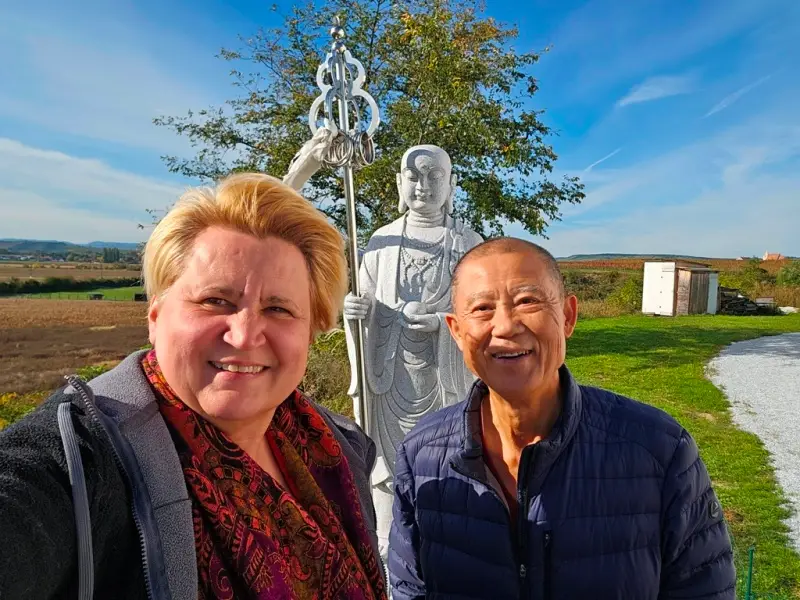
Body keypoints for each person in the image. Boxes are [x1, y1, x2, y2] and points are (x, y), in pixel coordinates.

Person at [0, 173, 387, 600]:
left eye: (278, 308)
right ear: (155, 315)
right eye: (214, 301)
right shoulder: (79, 461)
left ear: (311, 332)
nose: (244, 335)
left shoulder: (336, 448)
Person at [388, 237, 736, 599]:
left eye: (527, 301)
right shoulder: (421, 456)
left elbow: (703, 589)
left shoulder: (658, 450)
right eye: (482, 308)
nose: (505, 326)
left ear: (568, 316)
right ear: (457, 331)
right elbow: (410, 589)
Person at [342, 144, 482, 557]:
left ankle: (448, 539)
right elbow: (366, 304)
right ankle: (388, 544)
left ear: (451, 184)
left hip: (446, 378)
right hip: (388, 376)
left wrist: (441, 322)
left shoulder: (468, 245)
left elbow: (482, 311)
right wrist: (355, 314)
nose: (423, 186)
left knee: (449, 457)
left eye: (434, 176)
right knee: (386, 468)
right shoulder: (380, 243)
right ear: (399, 184)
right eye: (414, 177)